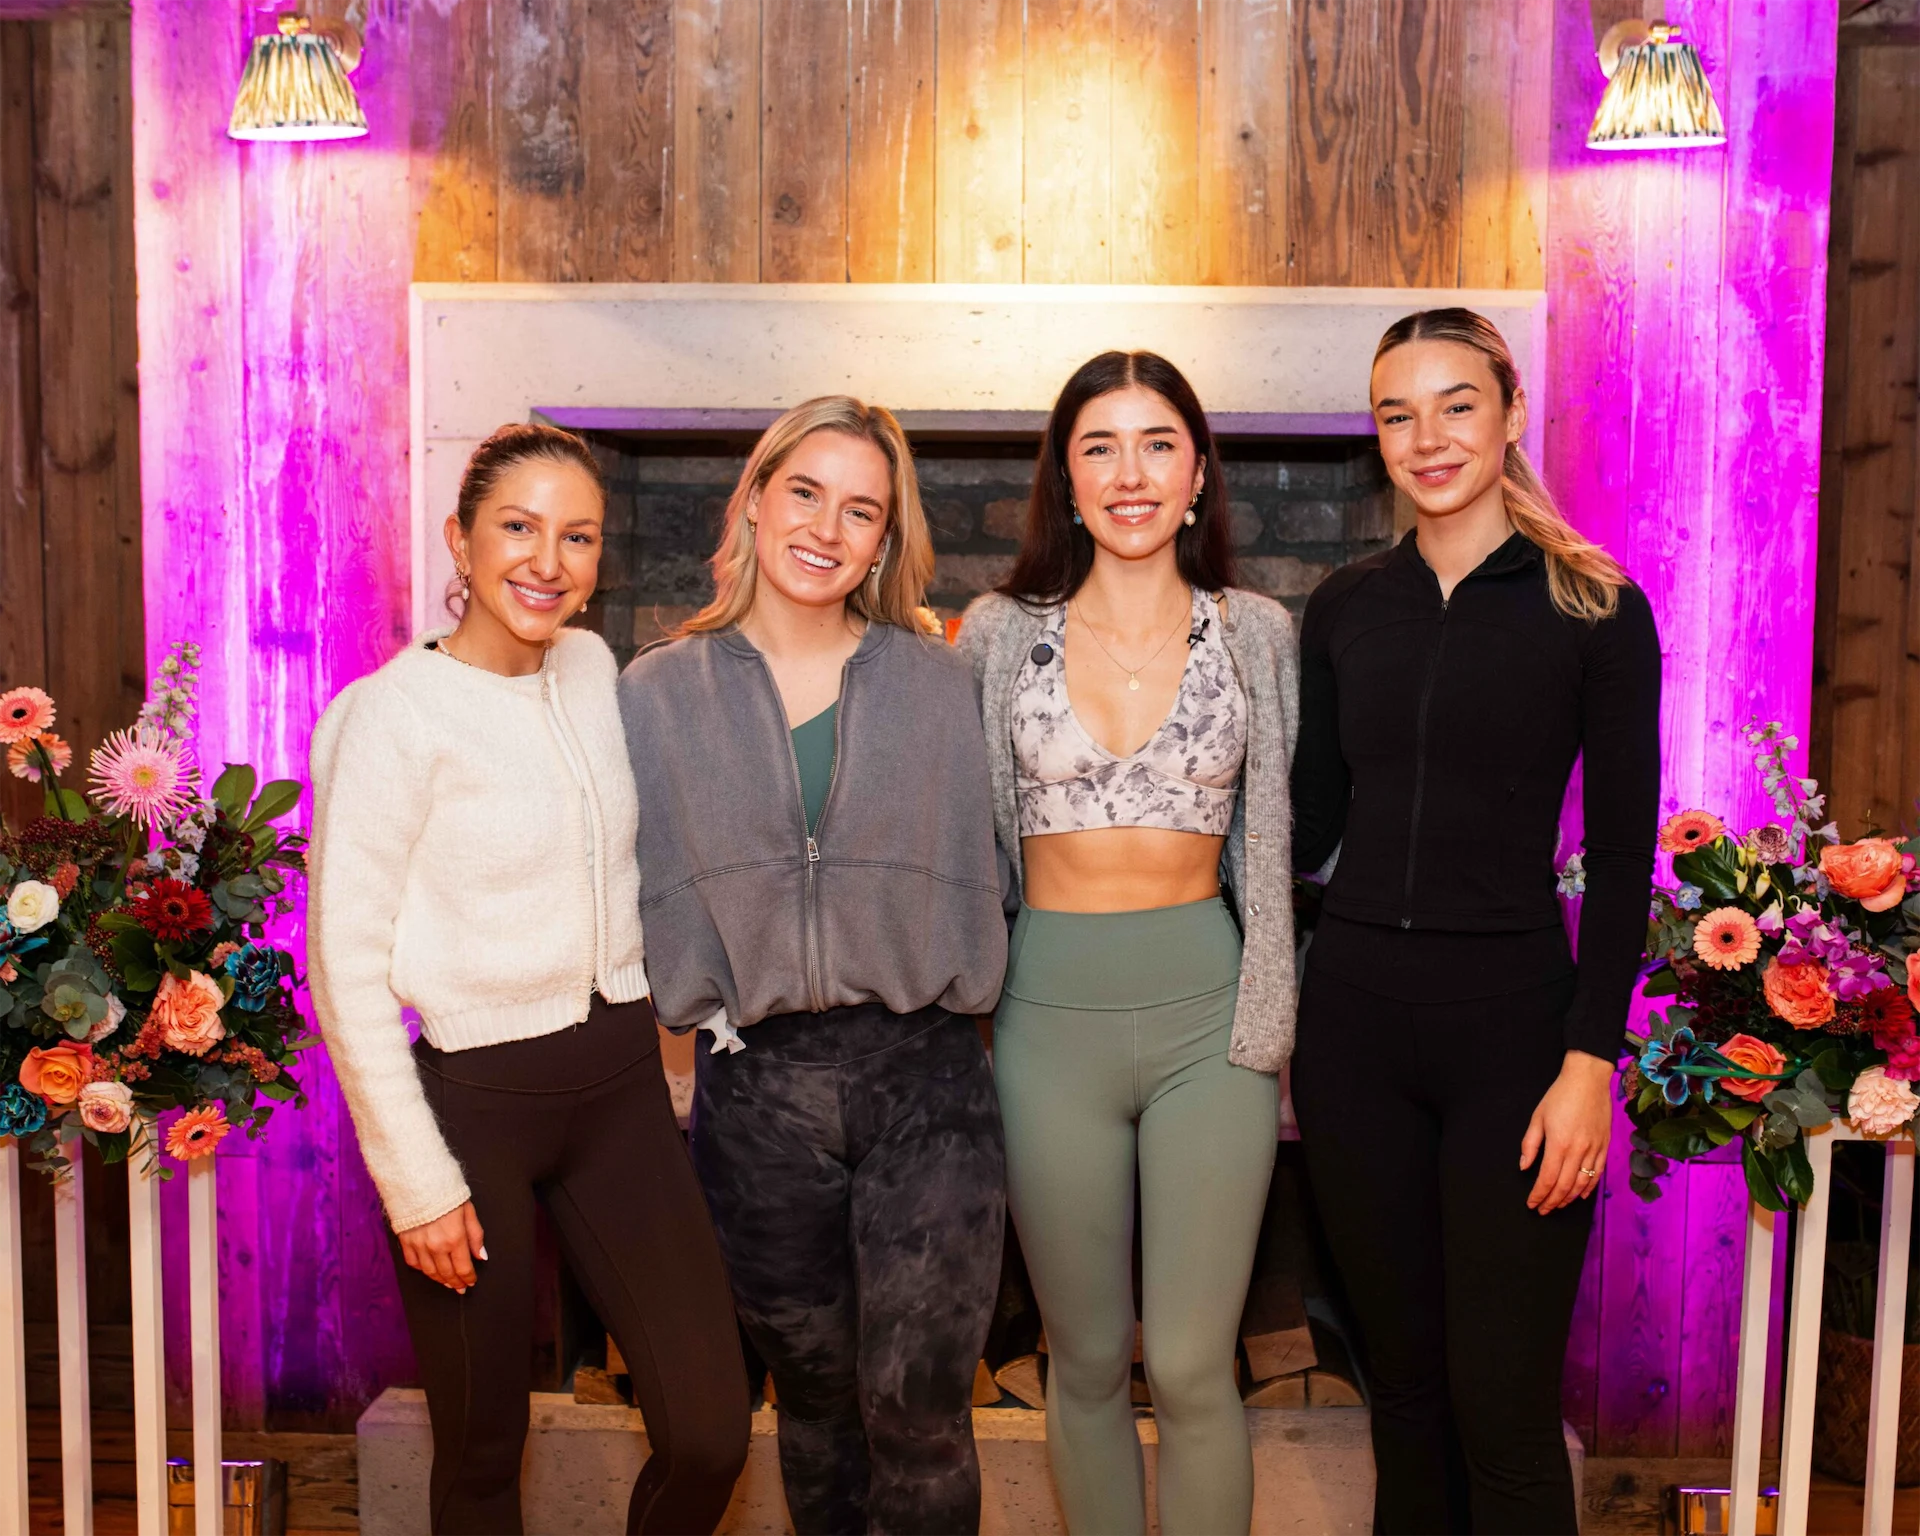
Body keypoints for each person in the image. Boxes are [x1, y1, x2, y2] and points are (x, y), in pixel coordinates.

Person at [308, 423, 750, 1536]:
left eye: (578, 536)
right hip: (473, 1116)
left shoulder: (594, 670)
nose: (548, 561)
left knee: (710, 1431)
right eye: (518, 527)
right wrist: (417, 1182)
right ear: (459, 540)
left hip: (620, 1095)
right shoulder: (390, 716)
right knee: (481, 1457)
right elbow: (344, 967)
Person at [1289, 308, 1661, 1535]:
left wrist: (1591, 1064)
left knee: (1500, 1408)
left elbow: (1623, 861)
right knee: (1402, 1397)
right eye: (1398, 415)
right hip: (1352, 1036)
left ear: (1510, 413)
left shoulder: (1598, 608)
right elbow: (1304, 827)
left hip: (1515, 1041)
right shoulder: (1345, 606)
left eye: (1457, 405)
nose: (1428, 438)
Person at [618, 396, 1008, 1536]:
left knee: (922, 1412)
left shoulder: (941, 682)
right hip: (757, 1095)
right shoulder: (655, 693)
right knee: (817, 1402)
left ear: (885, 539)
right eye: (804, 493)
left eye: (860, 510)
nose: (826, 530)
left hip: (929, 1082)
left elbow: (1013, 860)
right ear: (754, 499)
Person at [958, 350, 1299, 1535]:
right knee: (1089, 1359)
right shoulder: (997, 633)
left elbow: (1282, 833)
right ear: (1065, 478)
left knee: (1197, 1366)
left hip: (1213, 1019)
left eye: (1158, 444)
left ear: (1198, 472)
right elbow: (961, 842)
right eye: (1098, 447)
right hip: (1043, 1024)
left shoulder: (1255, 632)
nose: (1130, 473)